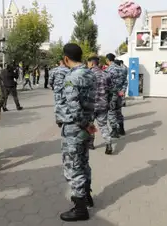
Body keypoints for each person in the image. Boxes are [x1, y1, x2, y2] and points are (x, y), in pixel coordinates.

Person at [56, 43, 96, 222]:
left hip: (75, 128)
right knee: (84, 162)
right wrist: (89, 124)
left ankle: (80, 208)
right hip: (86, 126)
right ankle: (87, 196)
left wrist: (85, 124)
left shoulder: (72, 77)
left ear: (66, 59)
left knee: (73, 167)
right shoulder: (90, 73)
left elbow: (73, 106)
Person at [86, 56, 113, 155]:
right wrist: (108, 102)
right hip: (103, 104)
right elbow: (111, 90)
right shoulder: (106, 74)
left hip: (91, 106)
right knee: (103, 125)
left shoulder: (87, 75)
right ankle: (108, 142)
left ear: (92, 63)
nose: (87, 65)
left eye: (88, 63)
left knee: (90, 124)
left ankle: (90, 143)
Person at [105, 53, 128, 138]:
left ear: (107, 60)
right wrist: (123, 91)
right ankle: (121, 129)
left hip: (111, 95)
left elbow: (106, 84)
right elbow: (125, 81)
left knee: (111, 112)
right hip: (120, 95)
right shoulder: (123, 69)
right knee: (119, 112)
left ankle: (114, 130)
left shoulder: (108, 70)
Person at [49, 59, 69, 124]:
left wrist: (53, 87)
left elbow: (50, 81)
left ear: (60, 62)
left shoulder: (54, 70)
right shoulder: (68, 70)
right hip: (66, 90)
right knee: (65, 104)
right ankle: (65, 118)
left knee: (57, 103)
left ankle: (58, 119)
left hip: (57, 90)